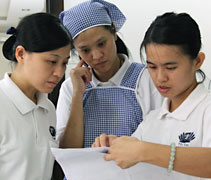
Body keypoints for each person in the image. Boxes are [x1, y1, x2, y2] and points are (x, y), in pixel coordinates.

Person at [93, 12, 211, 179]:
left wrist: (143, 150)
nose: (160, 77)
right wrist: (113, 148)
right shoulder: (152, 121)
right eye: (152, 67)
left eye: (170, 67)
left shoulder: (206, 109)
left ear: (198, 61)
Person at [56, 0, 163, 150]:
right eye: (85, 50)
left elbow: (159, 140)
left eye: (101, 43)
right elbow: (67, 151)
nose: (97, 55)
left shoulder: (145, 78)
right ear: (75, 50)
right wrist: (77, 96)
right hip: (83, 174)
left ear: (114, 32)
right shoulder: (70, 88)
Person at [0, 13, 72, 180]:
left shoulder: (47, 108)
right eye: (52, 62)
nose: (59, 73)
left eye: (64, 63)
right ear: (21, 54)